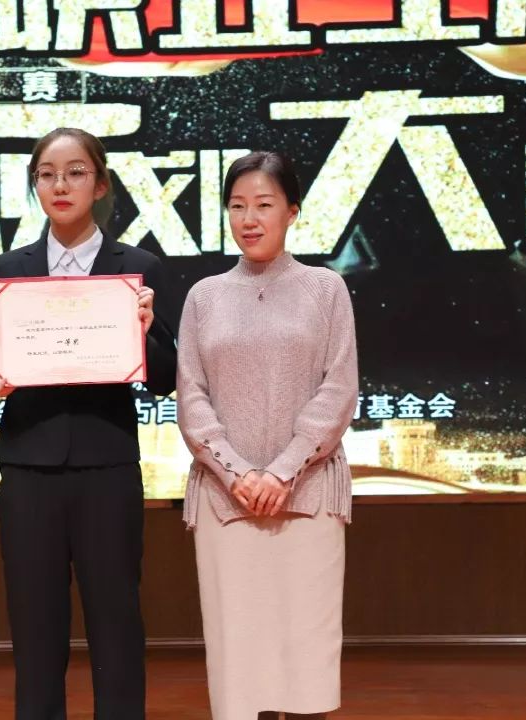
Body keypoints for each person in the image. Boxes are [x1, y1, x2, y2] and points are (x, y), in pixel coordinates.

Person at [0, 127, 178, 720]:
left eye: (76, 172)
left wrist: (144, 330)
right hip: (28, 467)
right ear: (35, 186)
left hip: (107, 466)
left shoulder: (138, 268)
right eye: (47, 174)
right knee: (35, 626)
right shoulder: (10, 269)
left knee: (117, 622)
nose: (61, 184)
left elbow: (165, 377)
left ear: (100, 185)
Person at [176, 151, 359, 720]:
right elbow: (191, 397)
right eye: (237, 206)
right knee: (239, 654)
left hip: (307, 497)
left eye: (263, 205)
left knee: (304, 652)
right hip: (224, 499)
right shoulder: (204, 296)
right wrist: (238, 473)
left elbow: (338, 389)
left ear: (292, 211)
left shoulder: (326, 289)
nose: (248, 219)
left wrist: (281, 473)